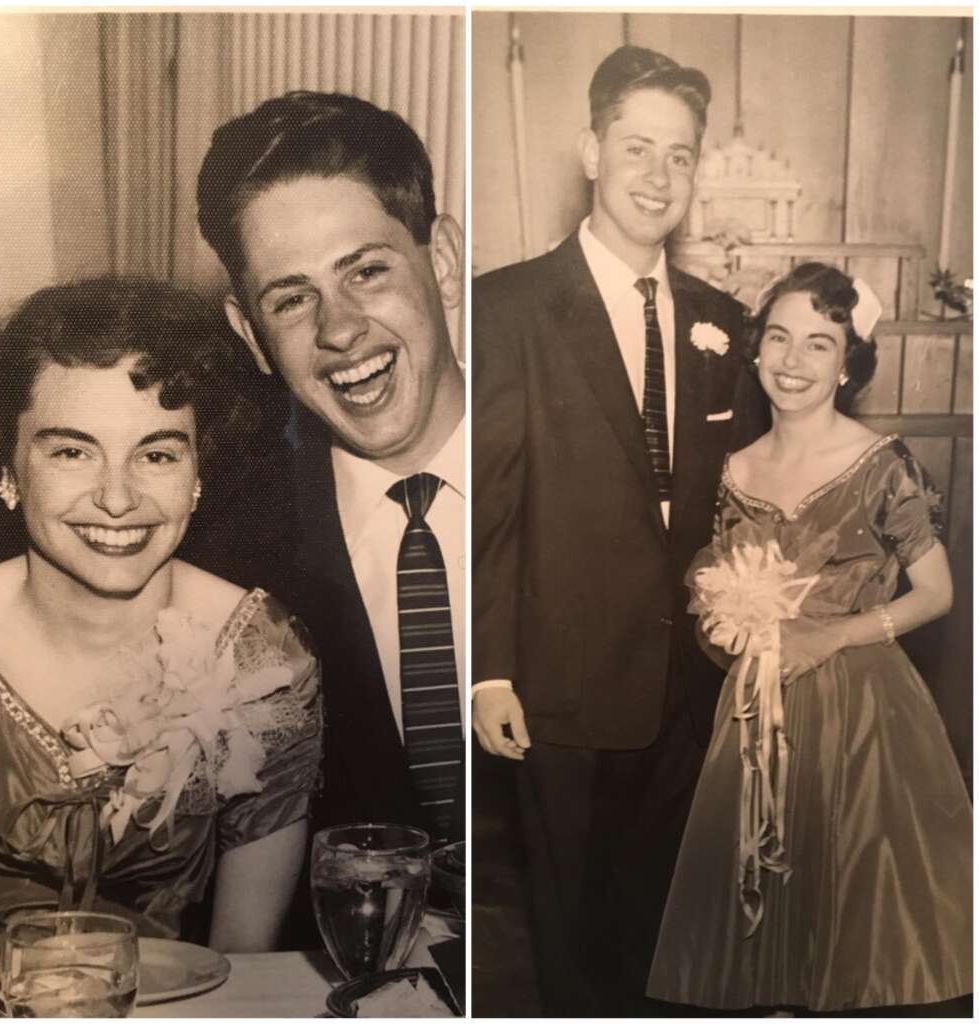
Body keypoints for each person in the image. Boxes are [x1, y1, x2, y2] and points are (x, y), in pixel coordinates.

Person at [472, 45, 768, 1015]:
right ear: (589, 149)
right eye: (636, 147)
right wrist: (488, 668)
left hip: (688, 689)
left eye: (678, 155)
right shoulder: (508, 308)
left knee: (660, 939)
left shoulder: (719, 322)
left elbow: (741, 503)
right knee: (566, 946)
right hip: (554, 681)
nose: (656, 175)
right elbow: (490, 500)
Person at [0, 278, 323, 961]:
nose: (118, 498)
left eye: (156, 453)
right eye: (71, 451)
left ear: (197, 473)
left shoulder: (262, 655)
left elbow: (242, 957)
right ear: (7, 467)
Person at [647, 263, 972, 1012]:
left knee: (852, 922)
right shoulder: (734, 468)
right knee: (763, 935)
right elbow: (718, 590)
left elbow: (939, 594)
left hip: (861, 714)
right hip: (757, 714)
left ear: (849, 364)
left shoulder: (880, 464)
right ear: (756, 350)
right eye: (780, 339)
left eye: (819, 345)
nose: (793, 363)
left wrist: (831, 638)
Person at [185, 91, 466, 848]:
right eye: (292, 299)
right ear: (250, 335)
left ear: (441, 263)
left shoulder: (576, 471)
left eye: (366, 272)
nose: (339, 329)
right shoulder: (229, 561)